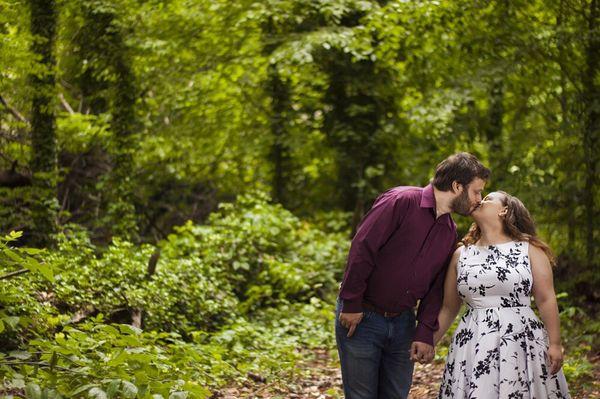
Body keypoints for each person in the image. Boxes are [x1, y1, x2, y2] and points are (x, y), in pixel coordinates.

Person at [335, 152, 490, 399]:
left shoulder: (449, 232)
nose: (478, 200)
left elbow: (435, 288)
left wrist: (424, 331)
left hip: (402, 325)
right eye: (476, 191)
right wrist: (351, 302)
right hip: (363, 317)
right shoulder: (401, 201)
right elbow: (362, 249)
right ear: (457, 186)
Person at [434, 191, 571, 398]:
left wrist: (555, 343)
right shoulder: (461, 254)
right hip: (474, 341)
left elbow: (546, 298)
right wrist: (429, 342)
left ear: (504, 210)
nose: (480, 200)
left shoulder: (529, 249)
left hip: (521, 340)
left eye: (488, 198)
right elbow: (449, 307)